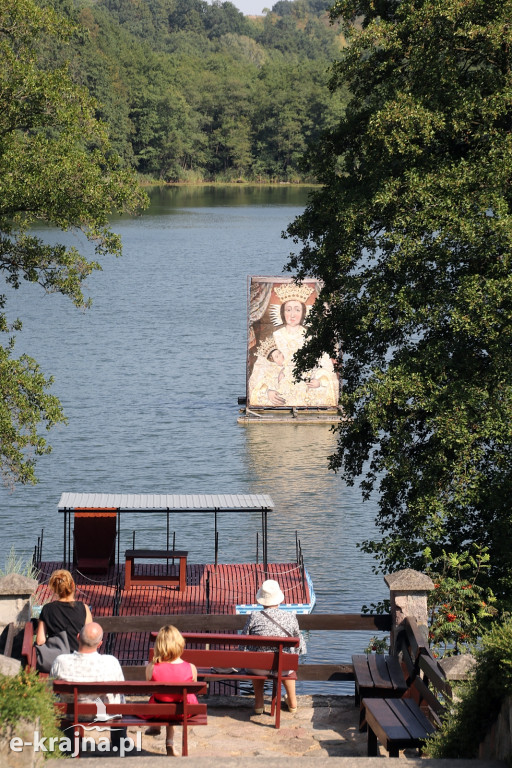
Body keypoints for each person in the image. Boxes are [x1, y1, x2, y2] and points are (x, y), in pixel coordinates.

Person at [50, 622, 126, 752]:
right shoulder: (111, 662)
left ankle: (69, 745)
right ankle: (119, 741)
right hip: (105, 714)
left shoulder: (61, 661)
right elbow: (121, 689)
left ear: (78, 637)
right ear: (100, 644)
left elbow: (50, 689)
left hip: (69, 713)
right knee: (121, 697)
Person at [242, 579, 306, 716]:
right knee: (287, 664)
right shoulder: (290, 617)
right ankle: (293, 702)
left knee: (255, 659)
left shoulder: (254, 616)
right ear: (279, 598)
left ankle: (259, 704)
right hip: (283, 667)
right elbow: (301, 646)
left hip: (257, 668)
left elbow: (243, 641)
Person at [144, 625, 198, 757]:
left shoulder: (151, 667)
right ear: (180, 643)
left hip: (158, 713)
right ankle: (169, 743)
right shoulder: (191, 668)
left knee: (161, 700)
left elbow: (149, 686)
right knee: (176, 700)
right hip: (183, 712)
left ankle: (156, 727)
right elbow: (193, 687)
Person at [36, 569, 93, 652]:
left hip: (56, 657)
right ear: (73, 585)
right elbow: (90, 637)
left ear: (55, 589)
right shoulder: (84, 608)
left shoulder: (47, 609)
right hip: (78, 656)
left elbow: (40, 640)